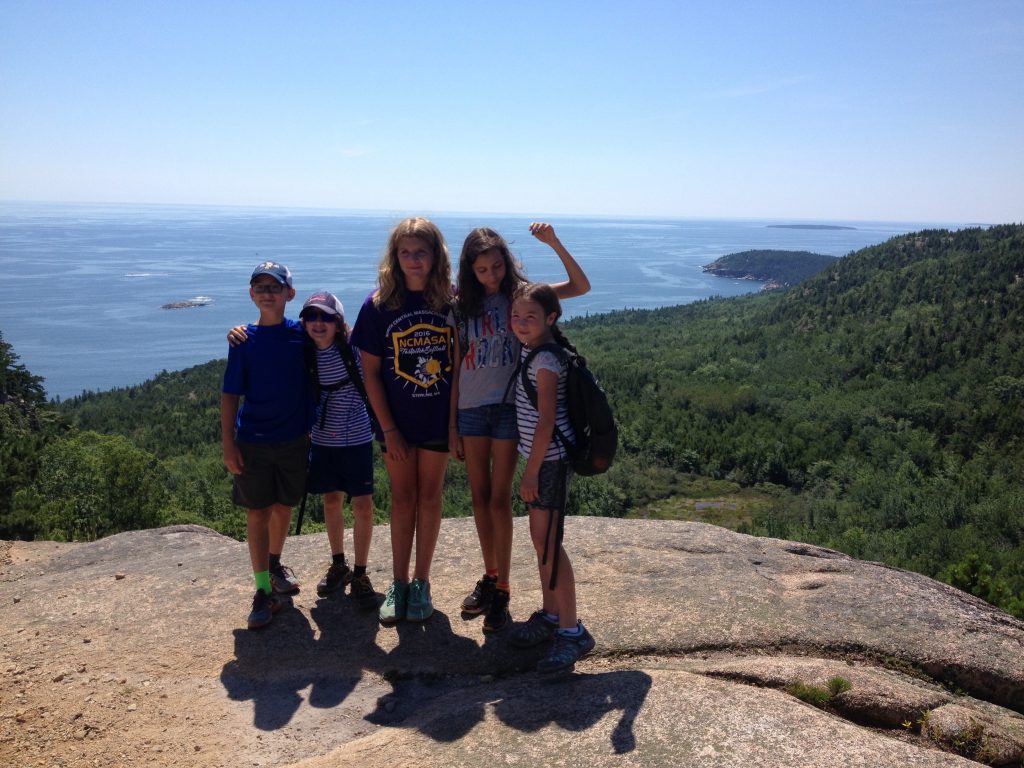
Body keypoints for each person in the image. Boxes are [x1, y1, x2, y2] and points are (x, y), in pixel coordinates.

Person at [449, 223, 590, 633]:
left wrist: (554, 243)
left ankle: (505, 588)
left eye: (496, 266)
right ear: (469, 270)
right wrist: (453, 423)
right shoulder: (461, 307)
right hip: (472, 409)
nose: (491, 275)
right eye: (482, 269)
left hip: (510, 409)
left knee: (498, 500)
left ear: (506, 264)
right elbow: (457, 364)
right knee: (478, 499)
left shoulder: (521, 295)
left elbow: (579, 287)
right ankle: (491, 576)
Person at [350, 217, 454, 625]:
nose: (413, 260)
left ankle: (421, 582)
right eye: (406, 252)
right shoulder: (377, 306)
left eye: (421, 252)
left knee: (429, 497)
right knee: (402, 500)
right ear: (395, 257)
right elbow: (370, 373)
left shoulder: (450, 301)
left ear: (435, 256)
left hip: (437, 421)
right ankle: (398, 582)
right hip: (397, 422)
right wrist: (388, 428)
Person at [506, 282, 595, 673]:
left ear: (551, 318)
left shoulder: (546, 361)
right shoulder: (535, 350)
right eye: (516, 316)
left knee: (550, 546)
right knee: (541, 541)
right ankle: (551, 615)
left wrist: (530, 472)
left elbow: (545, 422)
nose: (522, 323)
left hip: (549, 462)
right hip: (544, 460)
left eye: (530, 317)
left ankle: (572, 631)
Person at [221, 261, 313, 630]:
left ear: (290, 294)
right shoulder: (243, 341)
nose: (267, 293)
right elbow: (230, 395)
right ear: (251, 294)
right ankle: (262, 589)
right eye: (260, 287)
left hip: (293, 440)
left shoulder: (302, 335)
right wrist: (228, 444)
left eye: (274, 287)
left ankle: (274, 564)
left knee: (283, 505)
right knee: (257, 512)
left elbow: (337, 340)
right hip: (254, 441)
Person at [298, 291, 379, 609]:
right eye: (311, 317)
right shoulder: (303, 352)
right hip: (322, 440)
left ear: (338, 322)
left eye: (326, 318)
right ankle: (338, 563)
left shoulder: (354, 351)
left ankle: (360, 572)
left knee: (363, 506)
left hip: (357, 437)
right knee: (331, 501)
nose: (318, 324)